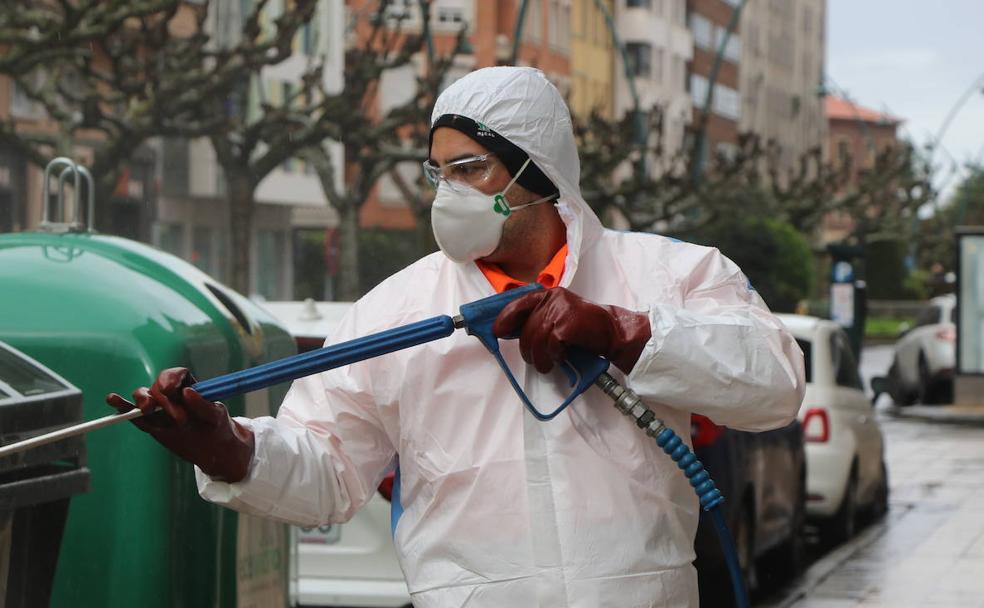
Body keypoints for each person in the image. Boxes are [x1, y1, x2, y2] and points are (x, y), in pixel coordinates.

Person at [108, 66, 805, 607]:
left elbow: (773, 386)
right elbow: (328, 474)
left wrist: (623, 332)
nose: (447, 193)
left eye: (470, 169)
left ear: (539, 172)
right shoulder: (394, 312)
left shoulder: (671, 273)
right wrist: (230, 451)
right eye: (437, 172)